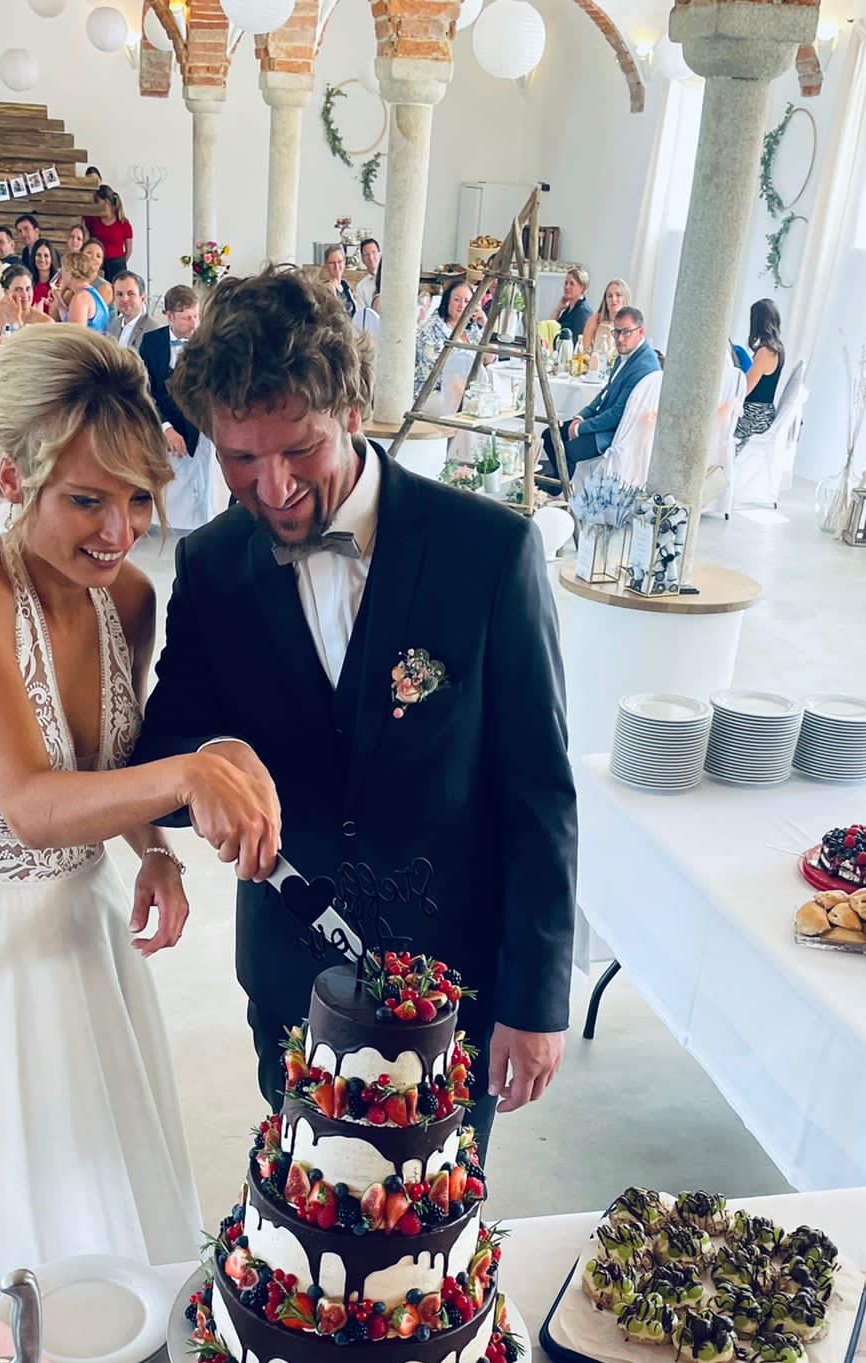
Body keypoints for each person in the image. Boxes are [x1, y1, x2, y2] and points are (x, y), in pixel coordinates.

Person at [0, 326, 280, 1298]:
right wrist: (187, 775)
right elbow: (30, 802)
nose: (119, 530)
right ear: (10, 476)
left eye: (138, 498)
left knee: (97, 1211)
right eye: (86, 499)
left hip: (85, 939)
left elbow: (107, 763)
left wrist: (153, 849)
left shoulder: (131, 599)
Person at [136, 267, 576, 1152]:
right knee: (302, 1211)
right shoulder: (214, 566)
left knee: (432, 1215)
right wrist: (209, 760)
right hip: (290, 985)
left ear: (354, 411)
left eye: (299, 450)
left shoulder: (490, 552)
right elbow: (166, 747)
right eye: (240, 458)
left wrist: (536, 1000)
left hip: (453, 988)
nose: (271, 486)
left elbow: (538, 790)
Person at [541, 306, 659, 476]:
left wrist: (581, 428)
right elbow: (605, 393)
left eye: (626, 332)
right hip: (605, 423)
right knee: (549, 435)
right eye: (616, 332)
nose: (619, 339)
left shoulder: (643, 366)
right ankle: (560, 485)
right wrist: (581, 417)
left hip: (617, 432)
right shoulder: (627, 353)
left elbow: (617, 415)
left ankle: (564, 488)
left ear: (640, 332)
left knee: (568, 451)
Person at [140, 284, 201, 459]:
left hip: (202, 435)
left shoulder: (208, 343)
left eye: (196, 316)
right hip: (161, 433)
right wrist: (165, 427)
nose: (194, 325)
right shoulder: (151, 342)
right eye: (187, 318)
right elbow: (144, 390)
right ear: (170, 316)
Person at [734, 298, 785, 448]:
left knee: (717, 420)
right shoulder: (778, 348)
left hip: (755, 415)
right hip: (764, 413)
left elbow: (745, 390)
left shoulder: (765, 352)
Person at [0, 263, 54, 350]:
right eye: (18, 289)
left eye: (28, 288)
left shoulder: (45, 322)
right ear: (6, 292)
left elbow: (23, 351)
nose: (25, 294)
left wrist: (16, 319)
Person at [81, 187, 133, 278]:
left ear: (106, 202)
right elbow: (81, 224)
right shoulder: (93, 219)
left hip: (116, 265)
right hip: (96, 263)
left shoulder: (123, 223)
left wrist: (120, 263)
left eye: (97, 201)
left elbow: (129, 249)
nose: (95, 204)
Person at [66, 251, 114, 333]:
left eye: (63, 270)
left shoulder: (81, 298)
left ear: (70, 273)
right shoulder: (91, 292)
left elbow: (75, 336)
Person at [111, 271, 156, 350]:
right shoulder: (112, 327)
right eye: (119, 294)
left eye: (131, 294)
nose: (125, 299)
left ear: (142, 298)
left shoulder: (153, 331)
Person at [581, 278, 629, 352]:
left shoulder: (630, 323)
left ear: (624, 298)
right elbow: (584, 348)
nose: (613, 299)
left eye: (618, 295)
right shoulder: (596, 318)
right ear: (605, 300)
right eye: (610, 296)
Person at [554, 266, 591, 347]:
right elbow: (552, 329)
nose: (567, 287)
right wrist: (558, 309)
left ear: (583, 288)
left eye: (572, 284)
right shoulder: (568, 310)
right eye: (566, 283)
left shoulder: (583, 312)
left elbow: (577, 342)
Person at [321, 245, 355, 318]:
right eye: (332, 263)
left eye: (339, 262)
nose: (336, 266)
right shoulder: (326, 288)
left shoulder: (345, 285)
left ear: (344, 263)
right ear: (326, 265)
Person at [29, 238, 58, 309]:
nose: (42, 259)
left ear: (52, 259)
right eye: (38, 255)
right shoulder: (28, 282)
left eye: (46, 256)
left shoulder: (58, 284)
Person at [356, 236, 381, 310]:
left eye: (374, 252)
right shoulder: (361, 287)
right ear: (362, 259)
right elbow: (362, 312)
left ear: (380, 254)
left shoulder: (391, 278)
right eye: (367, 255)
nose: (371, 257)